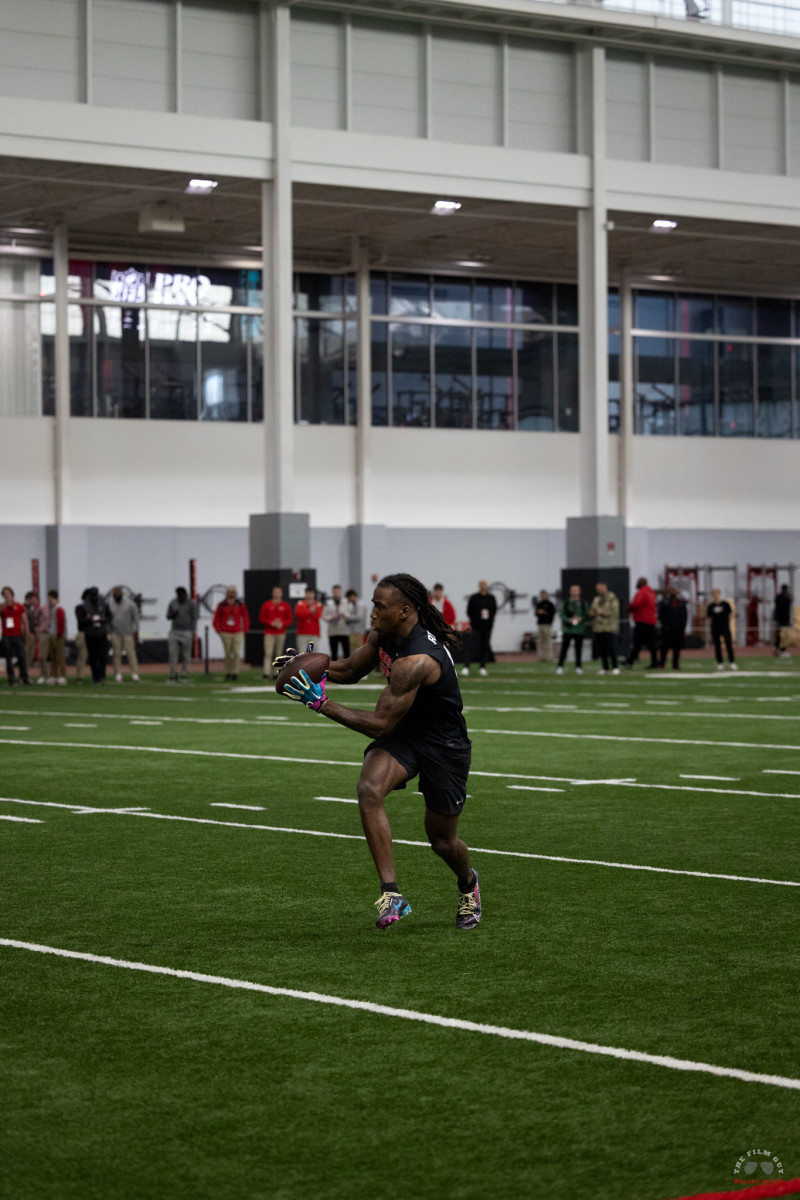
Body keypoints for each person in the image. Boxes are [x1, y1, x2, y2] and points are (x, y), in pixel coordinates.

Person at [277, 573, 480, 931]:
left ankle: (468, 884)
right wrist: (308, 669)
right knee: (369, 788)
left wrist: (319, 702)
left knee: (442, 840)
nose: (371, 612)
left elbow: (379, 724)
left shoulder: (416, 661)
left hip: (443, 745)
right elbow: (353, 669)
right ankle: (392, 894)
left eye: (378, 606)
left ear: (404, 611)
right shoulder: (384, 633)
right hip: (406, 733)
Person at [75, 586, 111, 683]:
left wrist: (101, 620)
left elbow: (109, 617)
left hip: (101, 633)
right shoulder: (82, 607)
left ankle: (101, 676)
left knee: (102, 656)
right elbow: (81, 621)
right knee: (89, 656)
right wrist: (90, 620)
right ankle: (86, 676)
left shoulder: (103, 605)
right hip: (88, 634)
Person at [213, 585, 249, 681]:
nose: (231, 593)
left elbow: (245, 617)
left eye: (233, 592)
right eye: (230, 592)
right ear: (227, 593)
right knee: (228, 653)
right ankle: (228, 671)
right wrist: (218, 630)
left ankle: (235, 672)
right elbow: (216, 618)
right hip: (226, 632)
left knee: (236, 653)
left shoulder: (240, 605)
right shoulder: (221, 605)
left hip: (237, 632)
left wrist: (244, 630)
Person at [462, 580, 497, 678]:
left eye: (484, 585)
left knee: (485, 647)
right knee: (472, 646)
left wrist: (490, 622)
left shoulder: (491, 598)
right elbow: (469, 611)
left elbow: (494, 611)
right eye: (481, 585)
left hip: (487, 627)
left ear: (486, 586)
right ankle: (466, 667)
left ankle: (482, 667)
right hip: (476, 627)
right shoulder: (474, 598)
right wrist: (474, 621)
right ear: (478, 586)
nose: (482, 586)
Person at [259, 586, 293, 679]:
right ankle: (266, 673)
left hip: (280, 632)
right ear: (272, 593)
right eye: (275, 592)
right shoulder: (267, 604)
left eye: (279, 592)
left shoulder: (286, 605)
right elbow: (261, 618)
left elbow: (289, 619)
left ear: (281, 594)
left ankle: (276, 673)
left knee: (278, 653)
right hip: (269, 632)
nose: (277, 594)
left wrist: (282, 623)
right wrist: (271, 623)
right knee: (268, 653)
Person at [108, 585, 140, 682]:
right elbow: (108, 619)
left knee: (131, 654)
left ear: (121, 594)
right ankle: (118, 673)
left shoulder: (130, 604)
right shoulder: (110, 605)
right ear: (113, 595)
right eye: (115, 594)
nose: (117, 595)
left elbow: (136, 618)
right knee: (116, 654)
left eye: (118, 593)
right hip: (115, 633)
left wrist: (136, 631)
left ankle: (134, 673)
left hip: (128, 633)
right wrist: (109, 632)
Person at [624, 577, 658, 670]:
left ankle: (630, 661)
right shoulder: (651, 593)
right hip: (650, 620)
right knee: (650, 644)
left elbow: (636, 604)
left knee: (638, 643)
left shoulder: (642, 592)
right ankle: (631, 661)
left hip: (642, 620)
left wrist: (629, 608)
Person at [166, 586, 198, 683]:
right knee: (173, 654)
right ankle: (173, 674)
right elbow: (168, 616)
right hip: (174, 631)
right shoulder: (173, 602)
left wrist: (192, 631)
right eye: (179, 596)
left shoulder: (191, 603)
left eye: (182, 595)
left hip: (186, 631)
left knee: (186, 655)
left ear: (185, 594)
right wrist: (173, 615)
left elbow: (194, 617)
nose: (180, 597)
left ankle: (184, 674)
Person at [2, 586, 31, 686]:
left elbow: (25, 620)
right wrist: (6, 604)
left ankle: (24, 677)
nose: (6, 596)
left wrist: (27, 633)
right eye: (4, 594)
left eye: (8, 594)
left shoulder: (19, 606)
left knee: (22, 657)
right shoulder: (3, 606)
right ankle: (11, 678)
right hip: (6, 636)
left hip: (17, 635)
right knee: (8, 658)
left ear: (12, 594)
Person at [556, 584, 589, 675]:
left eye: (576, 590)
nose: (574, 592)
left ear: (579, 591)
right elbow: (562, 614)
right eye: (573, 590)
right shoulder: (566, 602)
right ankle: (560, 667)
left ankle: (578, 667)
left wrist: (581, 618)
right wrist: (569, 619)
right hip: (568, 629)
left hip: (579, 629)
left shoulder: (583, 602)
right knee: (564, 648)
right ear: (570, 591)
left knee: (578, 649)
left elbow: (587, 614)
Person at [589, 582, 620, 674]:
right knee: (602, 649)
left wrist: (602, 613)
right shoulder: (596, 599)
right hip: (598, 627)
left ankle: (615, 667)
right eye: (597, 588)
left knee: (611, 648)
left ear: (605, 588)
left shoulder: (612, 598)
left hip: (608, 627)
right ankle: (605, 667)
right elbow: (592, 610)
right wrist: (593, 613)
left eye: (600, 588)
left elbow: (614, 612)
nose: (599, 590)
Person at [37, 589, 67, 684]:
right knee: (53, 657)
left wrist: (59, 635)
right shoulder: (48, 608)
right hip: (51, 634)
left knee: (59, 656)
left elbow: (61, 623)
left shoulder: (58, 608)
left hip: (57, 636)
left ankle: (62, 675)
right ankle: (53, 675)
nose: (49, 601)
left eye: (51, 599)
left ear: (56, 599)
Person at [707, 588, 738, 671]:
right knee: (717, 646)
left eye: (717, 593)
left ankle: (732, 662)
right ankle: (720, 663)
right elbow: (709, 617)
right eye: (714, 594)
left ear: (719, 594)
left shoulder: (725, 604)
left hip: (725, 627)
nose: (715, 595)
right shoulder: (711, 606)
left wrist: (727, 623)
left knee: (729, 644)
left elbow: (730, 614)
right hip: (715, 628)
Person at [658, 586, 688, 670]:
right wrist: (665, 626)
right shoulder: (664, 603)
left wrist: (682, 627)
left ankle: (675, 663)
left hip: (678, 629)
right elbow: (661, 616)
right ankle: (662, 663)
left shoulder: (681, 603)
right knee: (665, 647)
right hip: (668, 629)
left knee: (677, 647)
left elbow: (684, 616)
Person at [322, 584, 351, 661]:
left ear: (340, 592)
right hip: (333, 630)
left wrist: (344, 615)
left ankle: (347, 670)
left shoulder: (345, 602)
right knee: (334, 652)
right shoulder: (328, 603)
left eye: (338, 592)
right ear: (332, 592)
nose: (336, 593)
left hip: (343, 630)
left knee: (346, 652)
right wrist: (332, 617)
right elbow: (324, 616)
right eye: (334, 592)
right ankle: (335, 670)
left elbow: (349, 614)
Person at [534, 589, 556, 662]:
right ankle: (541, 658)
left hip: (547, 625)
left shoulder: (550, 604)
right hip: (540, 624)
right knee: (540, 642)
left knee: (547, 642)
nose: (542, 597)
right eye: (541, 595)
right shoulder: (539, 604)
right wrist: (538, 612)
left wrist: (544, 612)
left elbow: (552, 613)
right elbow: (536, 613)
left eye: (544, 595)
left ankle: (549, 657)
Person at [345, 588, 368, 654]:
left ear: (352, 596)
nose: (349, 601)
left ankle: (359, 664)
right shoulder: (355, 604)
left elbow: (359, 617)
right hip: (354, 630)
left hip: (358, 631)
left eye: (349, 599)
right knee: (354, 650)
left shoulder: (360, 604)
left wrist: (348, 617)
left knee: (358, 650)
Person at [774, 584, 793, 658]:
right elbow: (785, 610)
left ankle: (776, 648)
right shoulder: (784, 598)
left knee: (780, 635)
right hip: (784, 620)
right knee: (784, 636)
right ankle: (782, 651)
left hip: (778, 619)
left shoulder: (778, 597)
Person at [24, 591, 39, 674]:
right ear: (28, 599)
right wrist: (26, 633)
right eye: (34, 599)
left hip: (32, 634)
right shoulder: (24, 608)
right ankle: (23, 675)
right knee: (26, 655)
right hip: (28, 634)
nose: (35, 601)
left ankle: (26, 675)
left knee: (30, 655)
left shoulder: (30, 609)